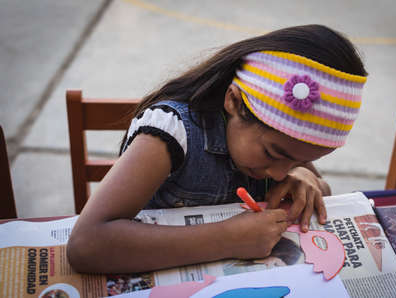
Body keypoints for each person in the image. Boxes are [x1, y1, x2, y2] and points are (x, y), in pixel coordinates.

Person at [67, 24, 368, 273]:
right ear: (234, 102)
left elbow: (318, 187)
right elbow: (86, 244)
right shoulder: (171, 134)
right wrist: (226, 240)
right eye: (274, 155)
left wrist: (309, 180)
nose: (279, 173)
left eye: (300, 161)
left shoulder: (287, 148)